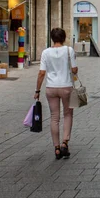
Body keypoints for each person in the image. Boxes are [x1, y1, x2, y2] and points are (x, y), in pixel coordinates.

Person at [34, 28, 78, 160]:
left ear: (52, 38)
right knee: (68, 114)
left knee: (54, 117)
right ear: (64, 38)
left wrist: (37, 90)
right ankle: (65, 142)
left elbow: (41, 73)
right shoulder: (69, 50)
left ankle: (57, 148)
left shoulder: (46, 52)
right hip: (66, 87)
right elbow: (74, 70)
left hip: (51, 88)